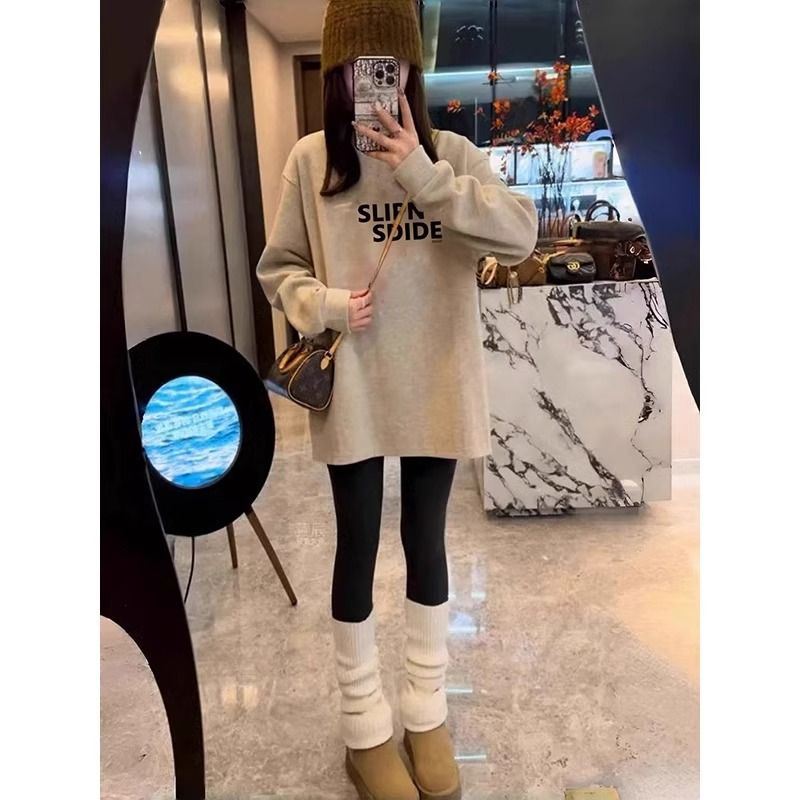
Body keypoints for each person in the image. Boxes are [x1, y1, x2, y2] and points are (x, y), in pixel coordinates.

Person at [256, 2, 537, 797]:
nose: (373, 81)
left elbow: (519, 234)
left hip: (435, 377)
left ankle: (425, 712)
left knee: (426, 540)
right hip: (355, 382)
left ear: (412, 71)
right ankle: (363, 728)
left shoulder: (451, 155)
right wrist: (324, 305)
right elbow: (278, 268)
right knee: (355, 545)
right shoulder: (312, 160)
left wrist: (420, 170)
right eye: (357, 66)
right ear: (335, 71)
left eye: (390, 66)